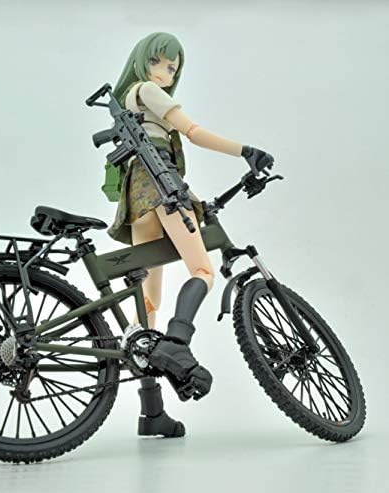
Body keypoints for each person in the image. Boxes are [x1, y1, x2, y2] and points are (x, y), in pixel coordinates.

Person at [106, 32, 273, 438]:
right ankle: (177, 342)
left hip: (138, 195)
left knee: (148, 303)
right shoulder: (148, 90)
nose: (164, 73)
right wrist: (245, 151)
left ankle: (151, 412)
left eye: (172, 68)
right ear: (142, 61)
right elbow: (193, 131)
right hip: (163, 185)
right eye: (158, 62)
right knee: (202, 270)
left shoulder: (128, 98)